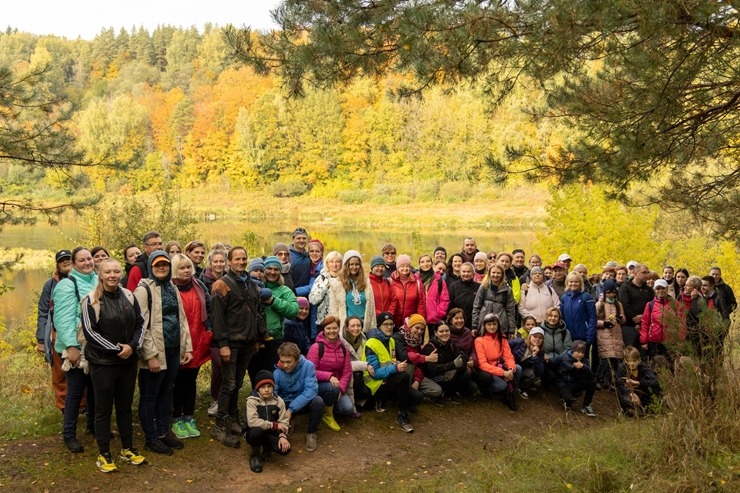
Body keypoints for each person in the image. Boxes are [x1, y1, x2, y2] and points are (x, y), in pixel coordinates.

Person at [80, 259, 146, 472]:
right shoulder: (90, 300)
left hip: (128, 361)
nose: (113, 275)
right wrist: (117, 349)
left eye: (116, 271)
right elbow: (90, 333)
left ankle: (127, 449)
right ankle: (104, 454)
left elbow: (140, 323)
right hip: (103, 363)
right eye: (108, 272)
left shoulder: (129, 295)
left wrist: (132, 346)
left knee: (125, 407)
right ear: (100, 274)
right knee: (103, 409)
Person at [134, 251, 193, 455]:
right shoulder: (143, 291)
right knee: (150, 395)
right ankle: (151, 438)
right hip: (154, 352)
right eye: (157, 265)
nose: (161, 268)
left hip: (173, 349)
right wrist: (150, 355)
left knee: (166, 393)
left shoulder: (172, 287)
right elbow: (140, 325)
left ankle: (162, 432)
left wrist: (187, 348)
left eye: (165, 265)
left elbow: (182, 319)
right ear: (151, 266)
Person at [210, 247, 265, 448]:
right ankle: (220, 426)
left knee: (238, 383)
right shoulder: (221, 285)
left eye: (244, 258)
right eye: (237, 259)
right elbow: (217, 319)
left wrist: (256, 339)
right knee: (228, 384)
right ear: (229, 261)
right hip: (230, 344)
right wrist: (222, 344)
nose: (241, 262)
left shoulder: (251, 284)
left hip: (247, 343)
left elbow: (256, 313)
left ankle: (233, 418)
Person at [53, 247, 99, 453]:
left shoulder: (97, 280)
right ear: (73, 263)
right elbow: (62, 319)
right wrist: (71, 346)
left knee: (95, 389)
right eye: (81, 260)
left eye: (89, 258)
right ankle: (69, 434)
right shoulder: (66, 284)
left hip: (96, 346)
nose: (87, 262)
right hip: (77, 346)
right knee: (75, 391)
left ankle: (93, 426)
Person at [169, 254, 212, 441]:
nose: (186, 271)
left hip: (198, 340)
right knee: (176, 382)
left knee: (191, 380)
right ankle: (176, 418)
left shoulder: (199, 285)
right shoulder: (169, 288)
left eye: (188, 267)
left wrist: (209, 331)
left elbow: (209, 308)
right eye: (181, 268)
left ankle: (189, 417)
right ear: (174, 270)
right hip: (178, 342)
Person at [364, 312, 416, 432]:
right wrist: (395, 368)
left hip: (388, 378)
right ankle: (401, 415)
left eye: (391, 324)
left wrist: (395, 363)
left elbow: (389, 361)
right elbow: (374, 373)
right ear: (379, 326)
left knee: (417, 397)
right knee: (403, 376)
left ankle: (392, 400)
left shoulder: (391, 340)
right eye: (385, 324)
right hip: (375, 383)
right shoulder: (371, 343)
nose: (389, 327)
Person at [36, 249, 74, 413]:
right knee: (59, 374)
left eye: (68, 259)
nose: (66, 262)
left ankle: (82, 406)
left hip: (77, 333)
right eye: (62, 260)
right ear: (58, 265)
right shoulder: (50, 284)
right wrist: (40, 340)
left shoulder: (80, 279)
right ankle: (64, 406)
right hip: (56, 335)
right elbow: (43, 312)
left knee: (81, 370)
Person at [273, 342, 324, 452]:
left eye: (289, 362)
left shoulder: (308, 366)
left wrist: (291, 410)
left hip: (302, 401)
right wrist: (282, 409)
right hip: (284, 403)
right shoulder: (277, 372)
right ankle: (284, 425)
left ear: (297, 360)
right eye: (282, 362)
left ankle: (311, 433)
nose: (285, 365)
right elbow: (274, 394)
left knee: (318, 401)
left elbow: (311, 390)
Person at [306, 316, 354, 431]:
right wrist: (329, 376)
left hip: (336, 386)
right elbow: (309, 372)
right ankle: (327, 415)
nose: (332, 331)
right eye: (328, 328)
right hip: (317, 385)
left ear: (339, 329)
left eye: (335, 328)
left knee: (347, 409)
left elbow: (347, 371)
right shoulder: (316, 347)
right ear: (323, 330)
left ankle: (328, 405)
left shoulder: (344, 349)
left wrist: (341, 389)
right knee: (331, 388)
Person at [245, 370, 291, 473]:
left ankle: (267, 448)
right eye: (263, 387)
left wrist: (283, 436)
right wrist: (273, 425)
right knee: (255, 432)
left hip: (272, 433)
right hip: (256, 431)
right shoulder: (252, 401)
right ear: (257, 388)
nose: (266, 390)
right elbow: (252, 421)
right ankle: (255, 455)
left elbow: (284, 421)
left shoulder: (279, 401)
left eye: (269, 386)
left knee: (285, 449)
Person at [392, 314, 444, 405]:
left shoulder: (418, 340)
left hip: (414, 374)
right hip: (401, 373)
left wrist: (417, 381)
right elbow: (405, 356)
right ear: (410, 326)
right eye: (417, 328)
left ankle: (411, 393)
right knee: (410, 364)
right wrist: (426, 358)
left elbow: (419, 366)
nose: (419, 331)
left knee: (437, 391)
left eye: (422, 329)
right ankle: (402, 395)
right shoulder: (398, 337)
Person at [474, 313, 521, 410]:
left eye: (494, 324)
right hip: (489, 370)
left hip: (501, 365)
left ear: (498, 325)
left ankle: (509, 394)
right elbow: (482, 364)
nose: (492, 327)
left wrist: (511, 369)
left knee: (518, 369)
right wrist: (504, 373)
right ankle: (487, 389)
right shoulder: (479, 340)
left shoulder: (502, 338)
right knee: (501, 386)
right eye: (489, 324)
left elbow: (508, 355)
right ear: (484, 325)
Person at [421, 322, 478, 402]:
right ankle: (442, 394)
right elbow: (433, 369)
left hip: (450, 373)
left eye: (447, 331)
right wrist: (453, 365)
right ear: (435, 333)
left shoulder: (451, 344)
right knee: (453, 376)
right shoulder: (430, 347)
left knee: (472, 386)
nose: (444, 333)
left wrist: (458, 367)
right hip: (434, 376)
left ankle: (450, 393)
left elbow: (461, 358)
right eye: (441, 331)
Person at [330, 250, 376, 332]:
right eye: (351, 264)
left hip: (364, 325)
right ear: (346, 265)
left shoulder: (366, 283)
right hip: (348, 326)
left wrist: (372, 328)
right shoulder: (338, 283)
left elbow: (371, 309)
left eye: (357, 264)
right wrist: (337, 328)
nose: (354, 267)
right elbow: (334, 309)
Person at [640, 279, 682, 363]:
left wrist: (680, 339)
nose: (660, 291)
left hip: (670, 341)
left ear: (667, 289)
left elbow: (681, 323)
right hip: (654, 341)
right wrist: (644, 341)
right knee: (655, 365)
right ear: (655, 290)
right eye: (658, 288)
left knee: (670, 364)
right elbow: (645, 323)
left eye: (663, 288)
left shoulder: (676, 304)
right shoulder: (650, 304)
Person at [594, 279, 626, 390]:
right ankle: (598, 379)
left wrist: (620, 318)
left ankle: (608, 380)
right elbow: (594, 321)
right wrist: (604, 323)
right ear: (605, 293)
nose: (611, 295)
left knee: (613, 360)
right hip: (604, 335)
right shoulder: (599, 305)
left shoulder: (618, 304)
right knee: (605, 360)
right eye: (609, 292)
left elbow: (623, 320)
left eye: (613, 292)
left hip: (616, 334)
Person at [560, 272, 597, 364]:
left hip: (584, 336)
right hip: (570, 337)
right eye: (571, 282)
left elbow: (592, 317)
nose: (573, 284)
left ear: (580, 283)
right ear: (567, 283)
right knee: (571, 361)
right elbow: (563, 317)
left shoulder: (586, 297)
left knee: (584, 362)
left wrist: (590, 335)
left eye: (576, 282)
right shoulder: (564, 298)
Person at [471, 264, 517, 336]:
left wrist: (511, 329)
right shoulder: (484, 287)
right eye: (493, 272)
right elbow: (476, 306)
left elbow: (510, 310)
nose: (496, 275)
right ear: (489, 273)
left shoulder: (507, 290)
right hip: (484, 324)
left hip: (501, 325)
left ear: (502, 274)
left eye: (498, 273)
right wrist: (474, 325)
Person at [615, 347, 661, 416]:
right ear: (625, 360)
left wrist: (639, 383)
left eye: (634, 361)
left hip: (643, 393)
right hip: (629, 394)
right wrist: (631, 394)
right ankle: (628, 410)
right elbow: (619, 383)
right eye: (629, 361)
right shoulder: (622, 368)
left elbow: (655, 382)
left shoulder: (644, 367)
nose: (631, 363)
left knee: (655, 389)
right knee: (622, 392)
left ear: (639, 360)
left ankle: (647, 410)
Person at [556, 340, 597, 417]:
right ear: (572, 350)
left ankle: (586, 405)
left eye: (582, 352)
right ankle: (565, 398)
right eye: (578, 352)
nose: (580, 354)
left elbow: (591, 376)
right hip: (563, 384)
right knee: (568, 401)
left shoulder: (584, 360)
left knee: (592, 381)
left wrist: (583, 367)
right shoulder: (563, 356)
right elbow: (552, 362)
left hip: (575, 383)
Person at [341, 315, 371, 416]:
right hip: (345, 375)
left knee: (368, 394)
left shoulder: (363, 338)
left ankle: (357, 400)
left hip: (362, 374)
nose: (356, 328)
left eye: (358, 325)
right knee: (357, 374)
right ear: (346, 327)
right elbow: (344, 364)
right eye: (352, 326)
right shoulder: (340, 340)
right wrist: (365, 365)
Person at [618, 264, 654, 348]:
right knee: (630, 351)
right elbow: (625, 305)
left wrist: (643, 317)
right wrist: (636, 320)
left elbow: (653, 306)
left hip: (645, 325)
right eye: (643, 272)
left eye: (647, 273)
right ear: (635, 273)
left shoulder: (649, 290)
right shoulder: (625, 287)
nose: (646, 275)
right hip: (628, 326)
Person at [309, 250, 343, 339]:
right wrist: (325, 287)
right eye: (332, 262)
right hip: (324, 321)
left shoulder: (345, 279)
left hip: (342, 321)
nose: (335, 264)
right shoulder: (321, 279)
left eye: (337, 262)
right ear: (327, 264)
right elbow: (313, 299)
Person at [388, 254, 425, 329]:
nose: (405, 268)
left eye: (408, 266)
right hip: (392, 322)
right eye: (402, 266)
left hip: (410, 323)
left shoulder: (417, 282)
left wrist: (420, 321)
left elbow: (421, 304)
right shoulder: (390, 281)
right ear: (397, 267)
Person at [508, 327, 545, 396]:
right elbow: (505, 345)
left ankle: (520, 386)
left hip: (522, 370)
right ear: (530, 336)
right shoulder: (520, 341)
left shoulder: (540, 352)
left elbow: (539, 372)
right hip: (510, 365)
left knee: (535, 375)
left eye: (540, 338)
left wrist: (535, 356)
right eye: (535, 336)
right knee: (518, 367)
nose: (537, 339)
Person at [540, 307, 572, 385]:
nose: (553, 318)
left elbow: (568, 347)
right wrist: (543, 355)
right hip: (546, 361)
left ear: (559, 318)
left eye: (555, 316)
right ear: (547, 317)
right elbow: (536, 346)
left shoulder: (564, 331)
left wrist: (559, 358)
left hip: (561, 359)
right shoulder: (541, 330)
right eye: (550, 316)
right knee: (550, 378)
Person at [447, 262, 480, 329]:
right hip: (457, 321)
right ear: (460, 273)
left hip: (473, 322)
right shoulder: (454, 286)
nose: (466, 274)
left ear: (473, 273)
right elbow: (450, 305)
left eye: (468, 271)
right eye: (464, 271)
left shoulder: (478, 287)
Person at [421, 255, 450, 328]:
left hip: (434, 319)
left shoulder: (440, 281)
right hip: (419, 318)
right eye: (422, 262)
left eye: (428, 261)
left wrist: (438, 313)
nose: (441, 271)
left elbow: (445, 300)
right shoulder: (416, 278)